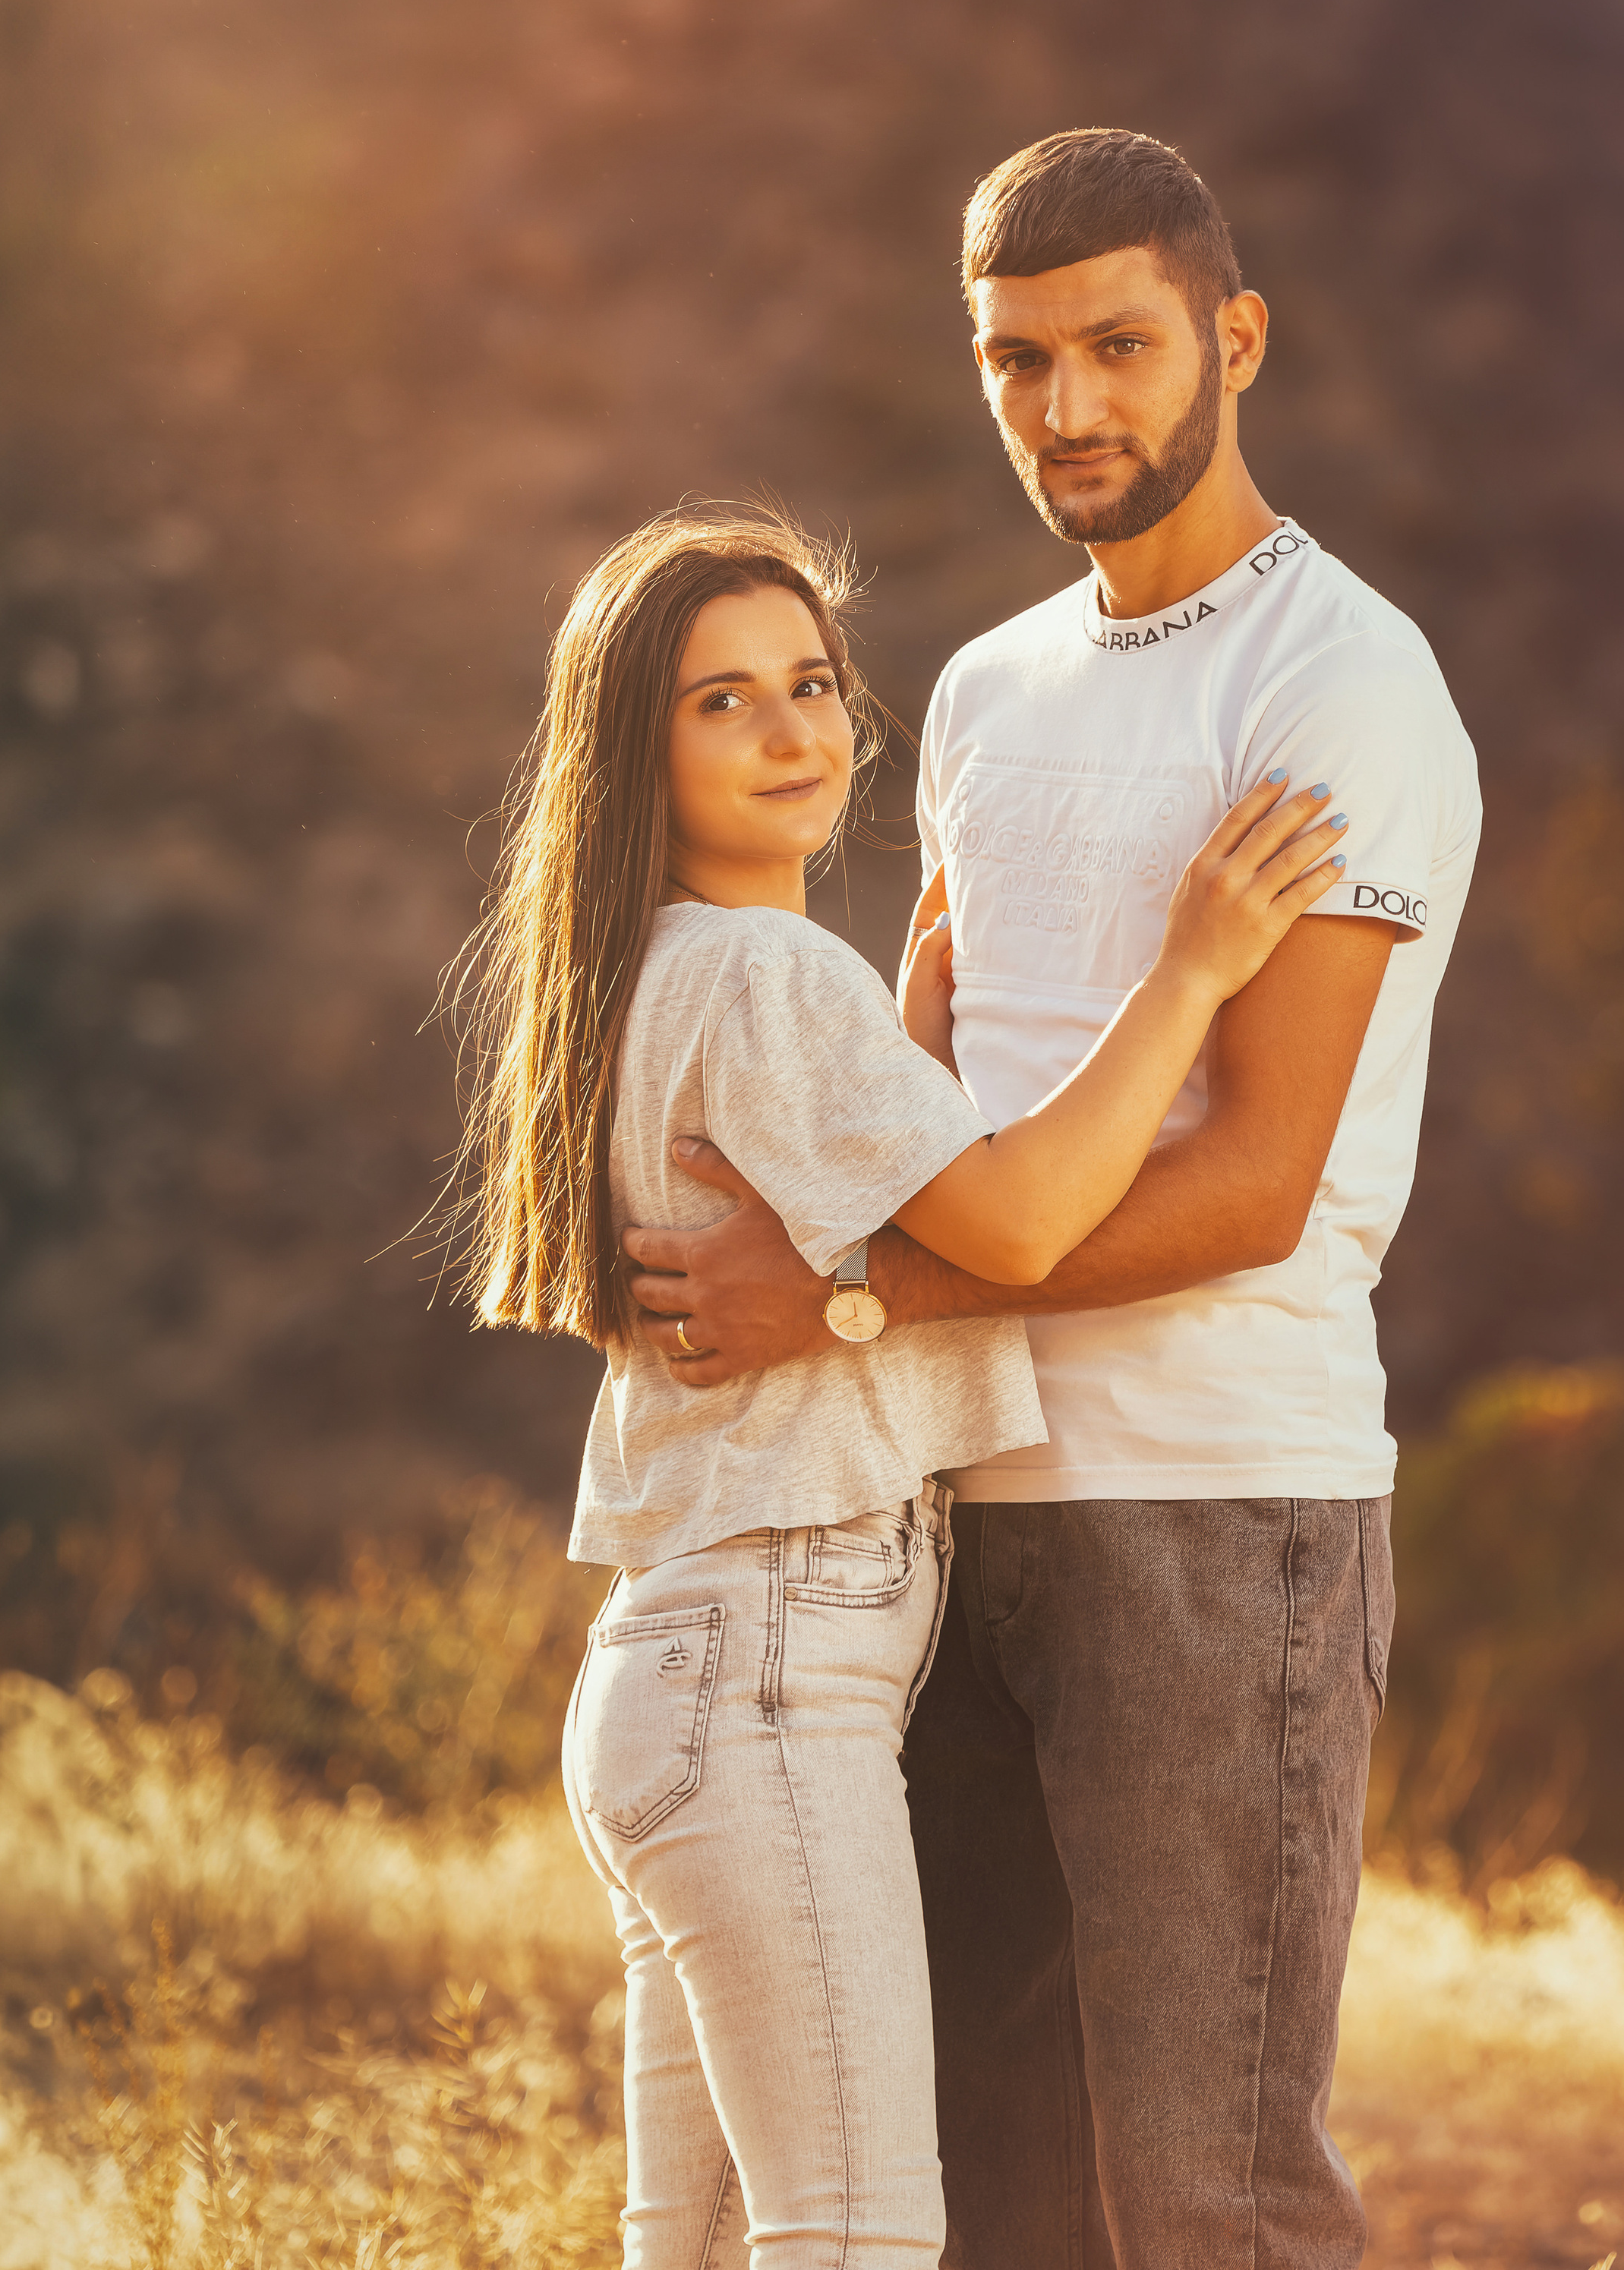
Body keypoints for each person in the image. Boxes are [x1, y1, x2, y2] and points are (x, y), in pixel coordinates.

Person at [620, 132, 1484, 2268]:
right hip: (944, 1529)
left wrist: (833, 1303)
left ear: (1235, 337)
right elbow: (936, 1099)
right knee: (993, 2199)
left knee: (1207, 2198)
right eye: (1020, 360)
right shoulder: (991, 695)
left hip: (1212, 1513)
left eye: (1120, 347)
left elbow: (1258, 1184)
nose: (1070, 407)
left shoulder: (1336, 684)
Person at [451, 503, 1350, 2267]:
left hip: (665, 1675)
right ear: (637, 743)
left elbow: (862, 1205)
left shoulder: (640, 977)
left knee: (699, 2245)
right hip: (775, 1674)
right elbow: (1012, 1225)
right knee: (854, 2232)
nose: (794, 733)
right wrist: (1191, 968)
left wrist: (917, 1058)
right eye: (723, 702)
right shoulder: (773, 974)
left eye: (810, 684)